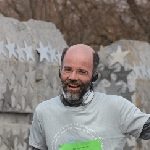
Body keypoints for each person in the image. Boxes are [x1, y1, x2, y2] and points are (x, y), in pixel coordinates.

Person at [29, 44, 150, 150]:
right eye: (68, 69)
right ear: (59, 71)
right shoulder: (43, 112)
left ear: (94, 76)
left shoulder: (116, 107)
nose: (73, 77)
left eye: (82, 72)